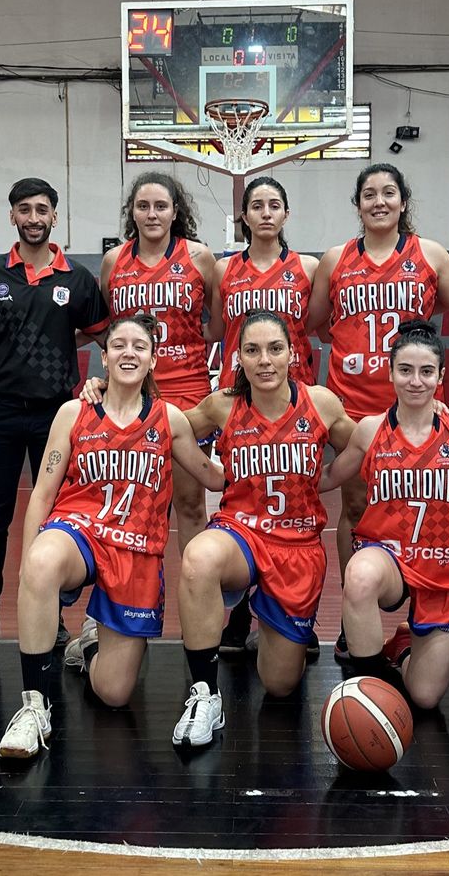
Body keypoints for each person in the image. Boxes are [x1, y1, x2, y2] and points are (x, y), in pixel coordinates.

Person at [0, 315, 224, 759]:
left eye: (140, 346)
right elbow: (42, 494)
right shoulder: (74, 412)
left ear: (153, 360)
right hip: (80, 531)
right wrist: (29, 565)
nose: (128, 352)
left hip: (136, 551)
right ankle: (34, 708)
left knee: (114, 693)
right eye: (119, 345)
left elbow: (213, 478)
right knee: (43, 560)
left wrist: (252, 436)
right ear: (104, 357)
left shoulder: (169, 419)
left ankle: (90, 644)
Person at [308, 163, 449, 660]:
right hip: (354, 404)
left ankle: (424, 615)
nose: (379, 201)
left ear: (403, 201)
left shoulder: (429, 254)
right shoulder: (336, 258)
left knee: (428, 508)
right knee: (357, 509)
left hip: (415, 402)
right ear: (357, 204)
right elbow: (316, 322)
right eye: (369, 194)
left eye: (388, 193)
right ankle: (353, 617)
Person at [171, 310, 354, 749]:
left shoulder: (321, 403)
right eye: (252, 350)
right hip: (242, 533)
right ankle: (205, 694)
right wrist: (106, 391)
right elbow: (165, 427)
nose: (264, 360)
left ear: (292, 353)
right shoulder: (223, 404)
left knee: (279, 685)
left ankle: (268, 618)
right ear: (238, 357)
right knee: (198, 558)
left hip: (298, 547)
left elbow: (371, 443)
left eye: (275, 349)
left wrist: (327, 478)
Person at [321, 321, 449, 709]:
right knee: (359, 576)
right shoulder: (370, 430)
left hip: (444, 566)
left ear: (441, 376)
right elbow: (328, 476)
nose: (415, 381)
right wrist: (267, 480)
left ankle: (403, 646)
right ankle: (371, 689)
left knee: (425, 698)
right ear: (390, 373)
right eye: (405, 370)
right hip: (389, 556)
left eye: (426, 371)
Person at [0, 178, 109, 650]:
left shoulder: (78, 279)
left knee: (56, 516)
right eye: (24, 209)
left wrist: (108, 387)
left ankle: (53, 615)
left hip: (56, 416)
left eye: (41, 209)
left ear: (54, 217)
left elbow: (105, 336)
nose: (33, 218)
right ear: (12, 216)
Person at [206, 176, 319, 655]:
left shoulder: (308, 268)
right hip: (241, 397)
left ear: (286, 213)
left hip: (294, 397)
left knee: (296, 505)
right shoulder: (224, 269)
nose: (266, 212)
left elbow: (317, 324)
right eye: (257, 205)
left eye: (275, 204)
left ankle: (296, 612)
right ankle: (236, 615)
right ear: (245, 217)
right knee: (240, 500)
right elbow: (217, 327)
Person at [101, 173, 215, 554]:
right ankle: (128, 587)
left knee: (190, 502)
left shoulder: (198, 257)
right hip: (132, 394)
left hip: (188, 392)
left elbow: (217, 324)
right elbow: (111, 327)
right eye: (143, 206)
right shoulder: (114, 261)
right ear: (131, 212)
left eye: (161, 206)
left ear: (175, 212)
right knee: (132, 503)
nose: (152, 214)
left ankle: (196, 583)